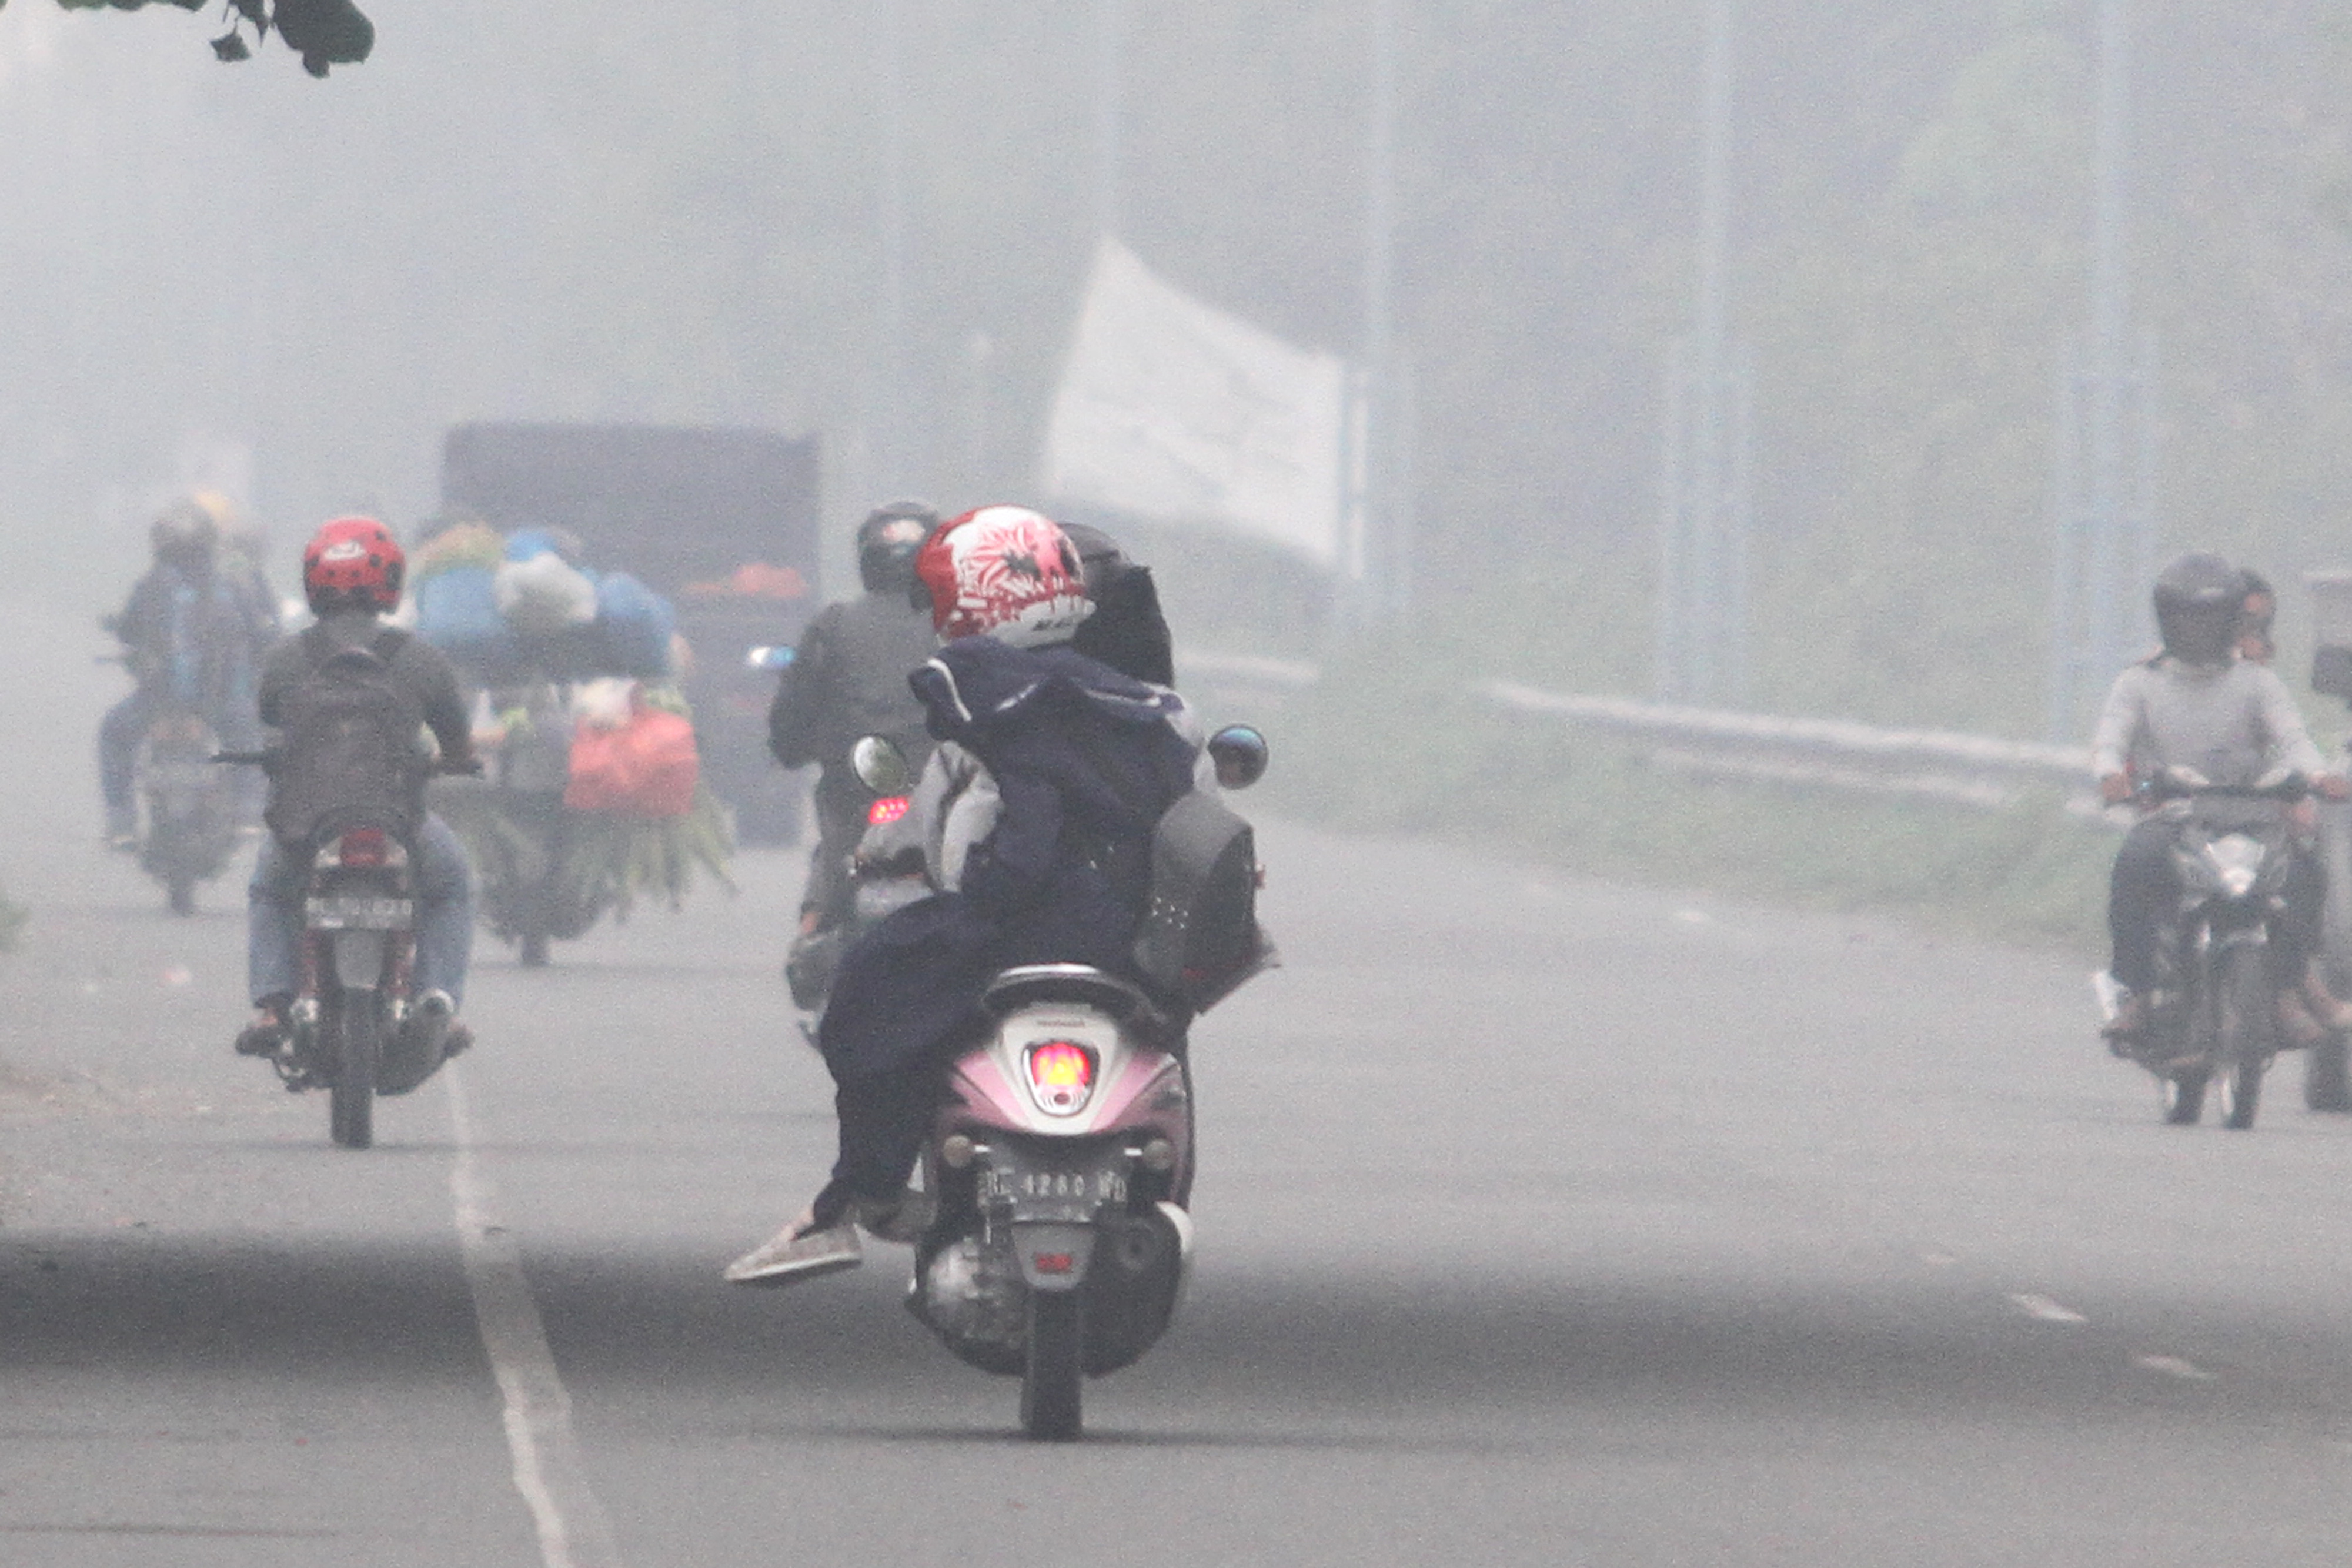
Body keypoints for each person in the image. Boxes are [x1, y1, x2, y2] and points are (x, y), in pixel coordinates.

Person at [726, 505, 1201, 1286]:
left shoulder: (980, 696)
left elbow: (955, 835)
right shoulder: (1159, 708)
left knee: (872, 1001)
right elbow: (1198, 816)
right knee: (1168, 1049)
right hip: (1136, 938)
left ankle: (861, 1194)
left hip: (1019, 923)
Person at [235, 518, 480, 1064]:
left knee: (271, 891)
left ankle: (273, 1006)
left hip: (306, 826)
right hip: (399, 822)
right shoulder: (421, 659)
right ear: (390, 580)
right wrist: (456, 762)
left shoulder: (285, 659)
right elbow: (457, 741)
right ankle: (438, 998)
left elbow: (270, 717)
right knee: (451, 887)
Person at [2095, 551, 2351, 1047]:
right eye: (2188, 619)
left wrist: (2318, 776)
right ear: (2168, 620)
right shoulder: (2140, 681)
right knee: (2136, 861)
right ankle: (2139, 994)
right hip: (2174, 817)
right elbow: (2111, 738)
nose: (2198, 630)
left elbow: (2293, 739)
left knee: (2302, 874)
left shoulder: (2257, 683)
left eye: (2211, 619)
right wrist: (2110, 774)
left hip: (2252, 818)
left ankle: (2287, 985)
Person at [768, 499, 942, 941]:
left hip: (860, 788)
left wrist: (793, 750)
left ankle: (814, 928)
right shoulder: (961, 625)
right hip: (939, 789)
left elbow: (793, 713)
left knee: (834, 864)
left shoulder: (834, 624)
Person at [98, 500, 276, 847]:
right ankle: (248, 811)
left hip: (158, 701)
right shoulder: (230, 583)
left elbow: (128, 629)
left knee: (114, 733)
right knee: (249, 739)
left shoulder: (153, 583)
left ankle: (121, 821)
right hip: (220, 700)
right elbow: (260, 631)